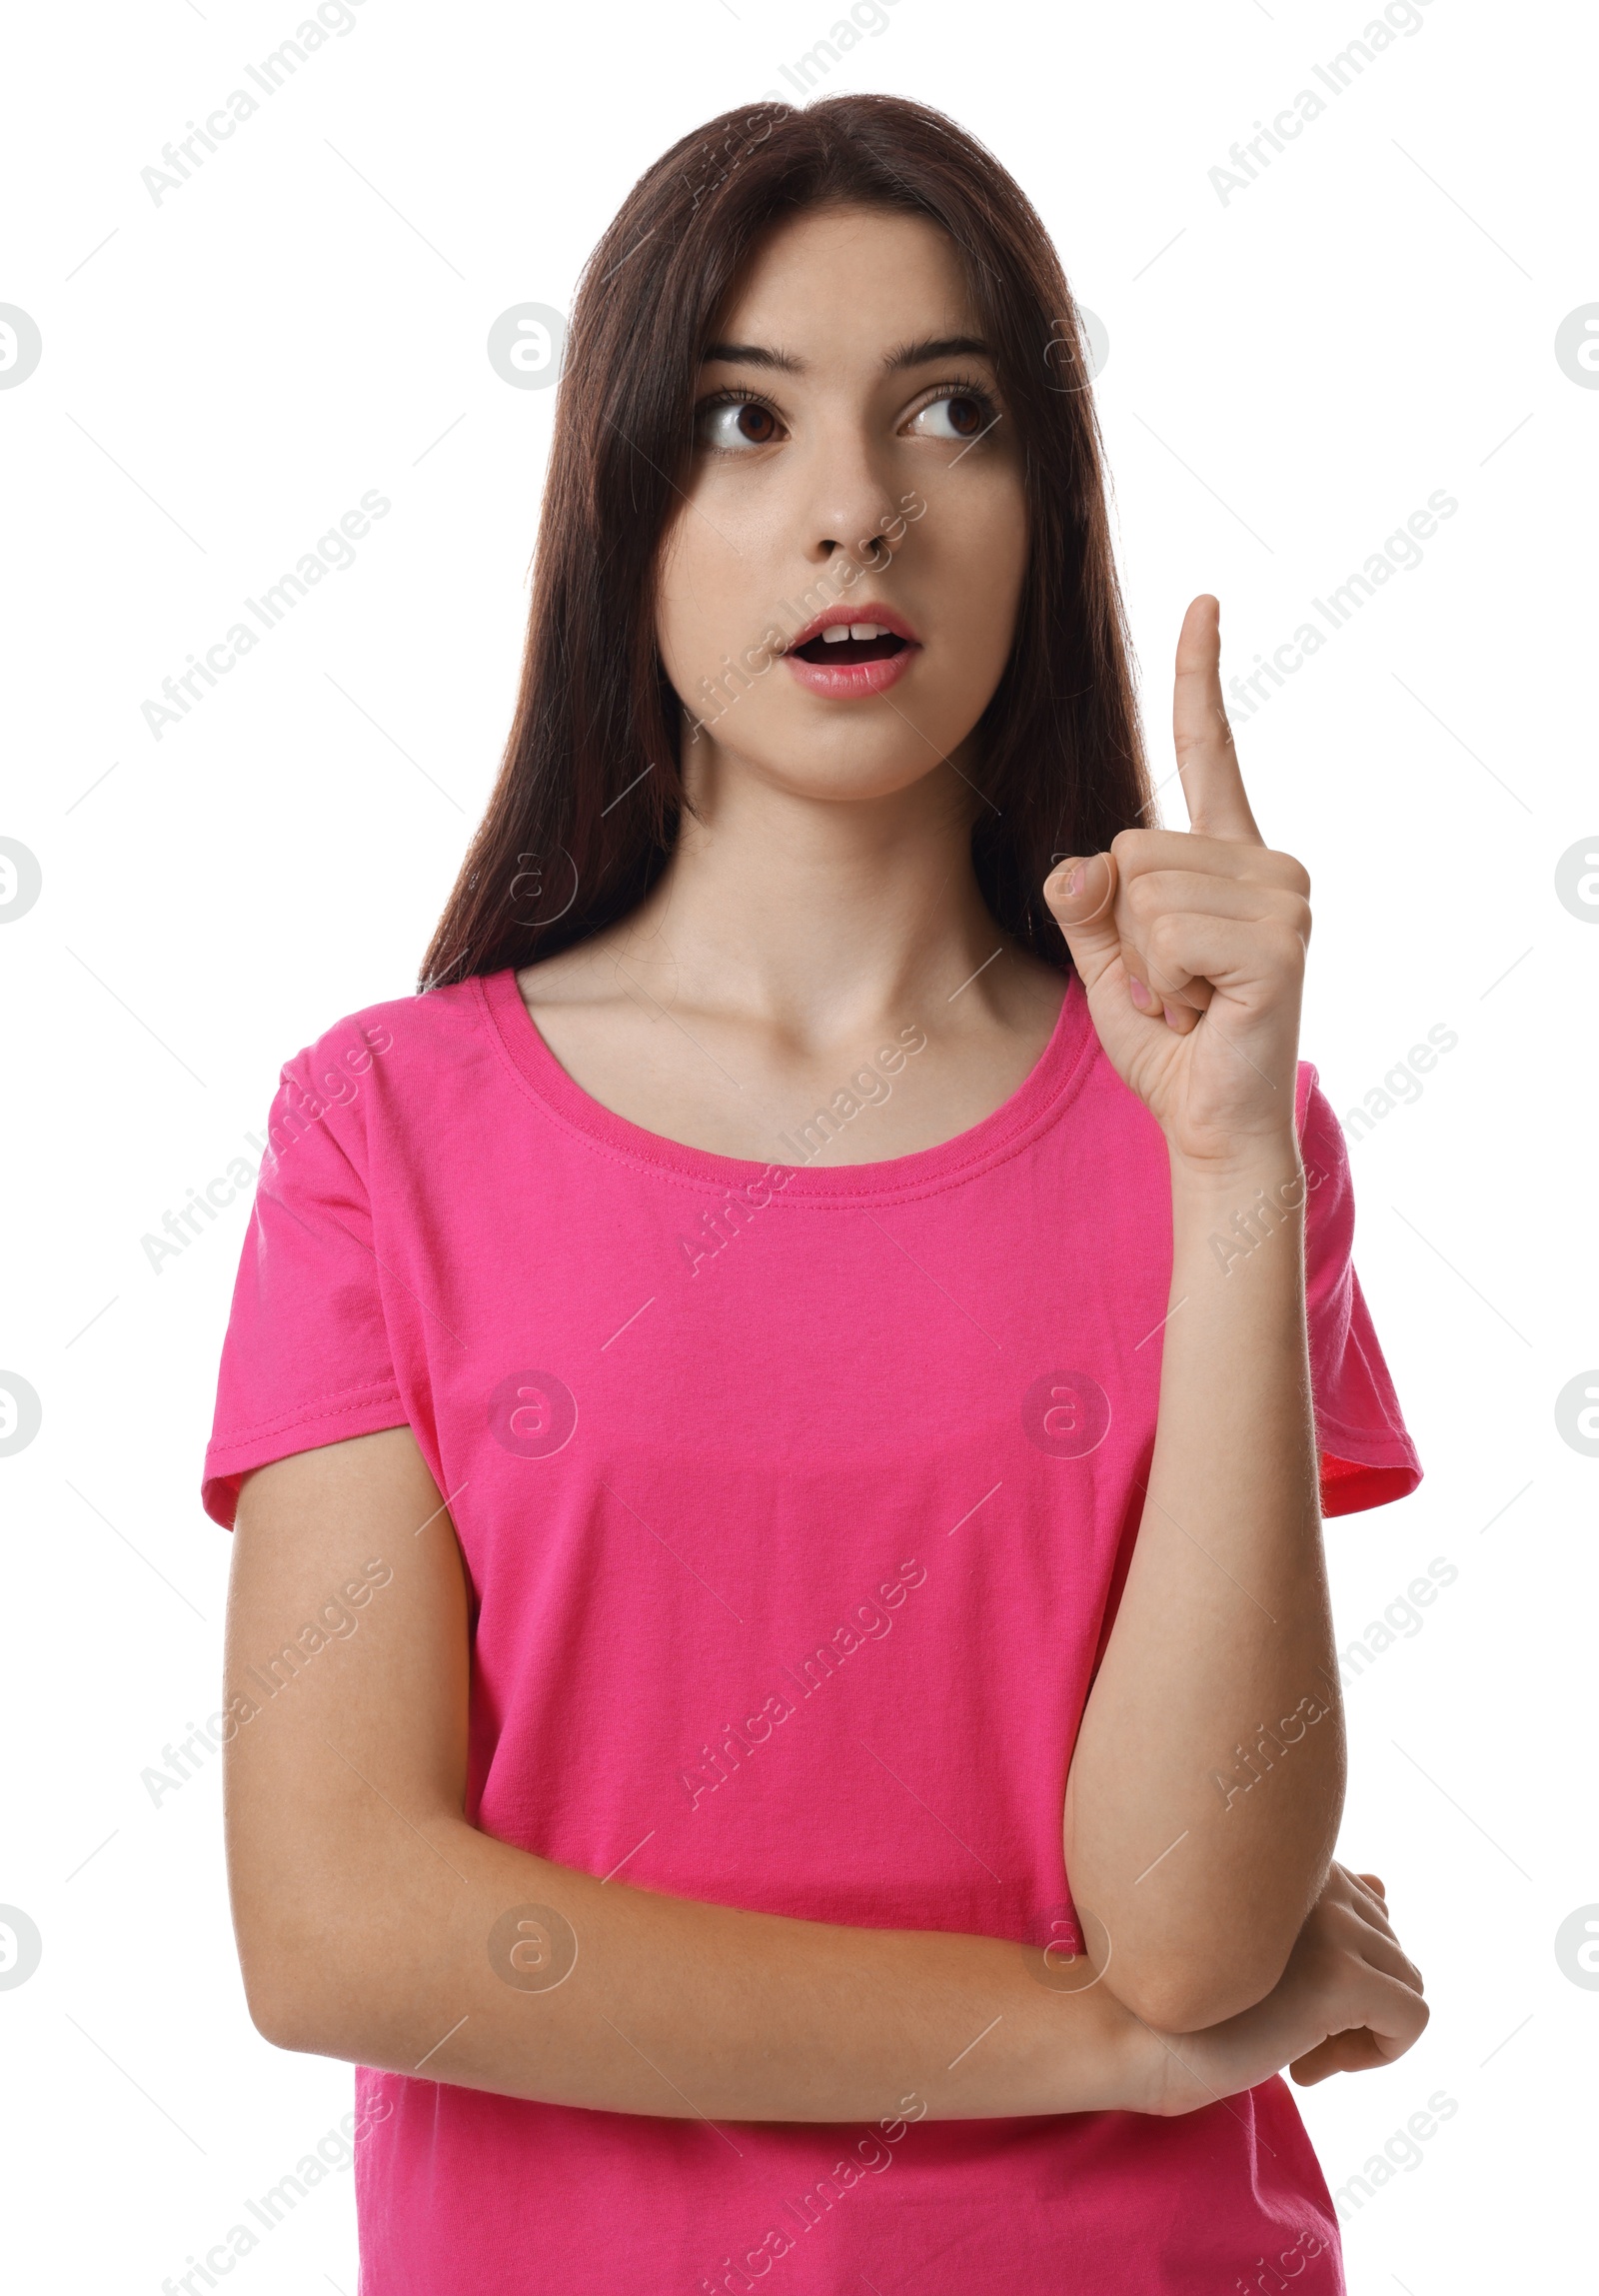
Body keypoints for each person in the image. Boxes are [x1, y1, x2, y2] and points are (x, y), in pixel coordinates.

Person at [204, 93, 1428, 2295]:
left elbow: (1192, 1920)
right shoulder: (379, 1133)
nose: (852, 515)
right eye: (741, 424)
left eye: (943, 412)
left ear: (1042, 503)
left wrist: (1230, 1160)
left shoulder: (1216, 1122)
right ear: (620, 510)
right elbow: (341, 1930)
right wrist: (1094, 2049)